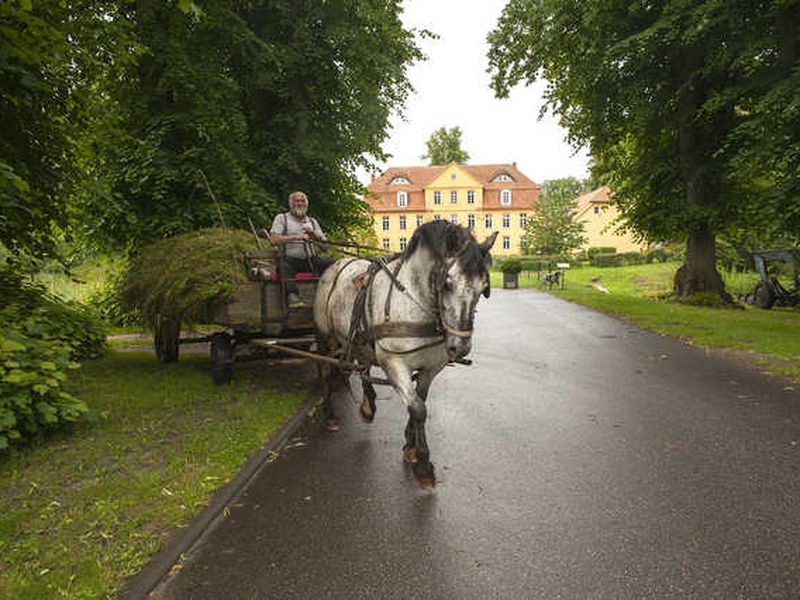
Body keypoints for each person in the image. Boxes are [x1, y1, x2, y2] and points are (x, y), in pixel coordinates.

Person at [269, 191, 332, 307]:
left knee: (329, 263)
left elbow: (326, 247)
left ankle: (328, 295)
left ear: (306, 204)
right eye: (297, 201)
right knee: (283, 266)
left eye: (302, 201)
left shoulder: (312, 221)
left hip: (310, 260)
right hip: (289, 259)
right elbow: (273, 240)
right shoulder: (282, 218)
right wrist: (296, 237)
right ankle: (292, 297)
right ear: (291, 204)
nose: (300, 204)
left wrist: (314, 235)